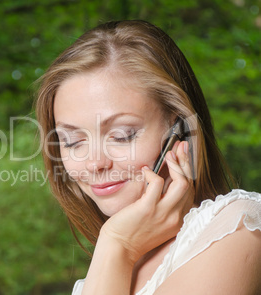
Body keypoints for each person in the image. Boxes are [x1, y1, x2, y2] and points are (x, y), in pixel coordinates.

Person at [35, 20, 261, 294]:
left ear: (178, 130)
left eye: (121, 135)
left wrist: (117, 243)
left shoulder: (239, 228)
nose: (94, 164)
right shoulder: (110, 260)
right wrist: (117, 247)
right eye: (72, 141)